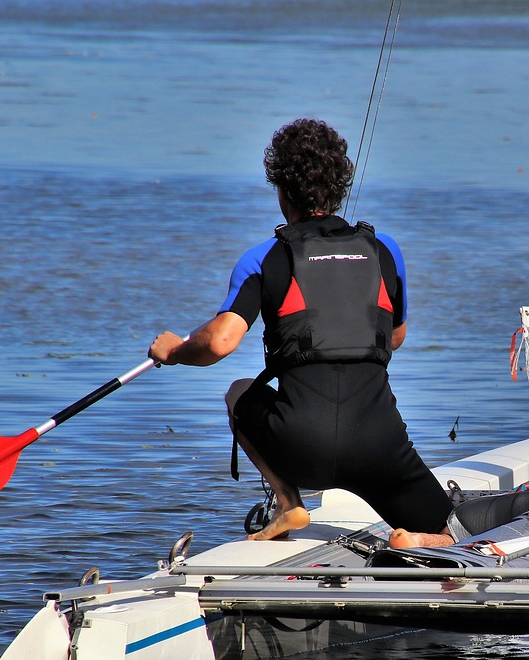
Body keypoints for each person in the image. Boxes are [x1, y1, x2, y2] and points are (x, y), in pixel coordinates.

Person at [149, 117, 453, 541]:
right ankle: (420, 539)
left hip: (298, 446)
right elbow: (395, 337)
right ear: (340, 186)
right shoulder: (386, 251)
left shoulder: (264, 258)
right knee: (452, 531)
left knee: (239, 391)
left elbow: (219, 342)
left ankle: (290, 504)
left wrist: (175, 350)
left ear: (281, 189)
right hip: (379, 447)